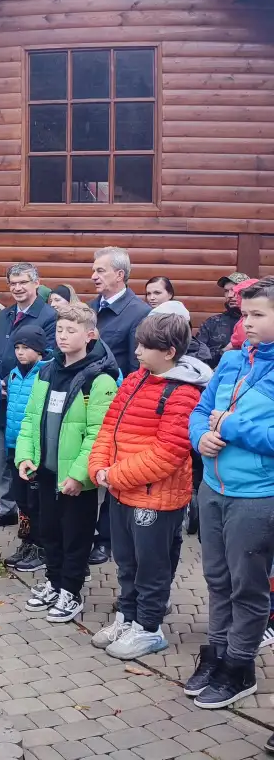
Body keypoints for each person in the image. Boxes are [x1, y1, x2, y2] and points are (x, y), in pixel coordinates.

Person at [88, 313, 211, 659]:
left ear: (169, 352)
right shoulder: (134, 380)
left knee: (151, 567)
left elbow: (168, 453)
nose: (137, 352)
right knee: (126, 563)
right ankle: (127, 618)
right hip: (121, 491)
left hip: (155, 500)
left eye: (145, 347)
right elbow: (109, 428)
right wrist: (98, 466)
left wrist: (114, 475)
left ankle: (149, 628)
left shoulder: (183, 393)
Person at [186, 277, 274, 710]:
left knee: (247, 587)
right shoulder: (233, 359)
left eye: (258, 314)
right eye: (244, 314)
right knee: (217, 579)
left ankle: (240, 667)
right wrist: (201, 436)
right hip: (213, 487)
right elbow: (201, 410)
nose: (247, 323)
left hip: (257, 496)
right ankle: (218, 654)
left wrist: (230, 425)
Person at [16, 302, 119, 623]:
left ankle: (71, 592)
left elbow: (99, 435)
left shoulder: (99, 380)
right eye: (59, 329)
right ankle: (54, 582)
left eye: (71, 331)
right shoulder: (46, 371)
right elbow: (31, 418)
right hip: (46, 472)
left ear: (90, 335)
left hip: (75, 480)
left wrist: (78, 475)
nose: (62, 336)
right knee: (49, 532)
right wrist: (25, 455)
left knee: (75, 537)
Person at [88, 247, 151, 566]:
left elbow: (138, 367)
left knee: (112, 474)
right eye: (93, 270)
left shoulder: (138, 313)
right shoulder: (90, 308)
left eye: (100, 270)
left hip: (116, 408)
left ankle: (106, 539)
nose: (93, 276)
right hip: (84, 404)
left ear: (120, 275)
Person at [0, 262, 57, 529]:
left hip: (28, 400)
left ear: (36, 283)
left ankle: (31, 519)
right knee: (1, 458)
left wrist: (10, 381)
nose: (17, 288)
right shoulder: (5, 315)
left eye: (23, 282)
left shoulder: (48, 316)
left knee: (25, 458)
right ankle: (7, 508)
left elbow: (49, 357)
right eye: (12, 283)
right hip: (2, 399)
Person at [2, 327, 47, 572]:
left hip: (34, 448)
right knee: (21, 500)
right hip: (14, 445)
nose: (20, 352)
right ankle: (27, 542)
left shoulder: (47, 372)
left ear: (38, 350)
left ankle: (41, 547)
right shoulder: (13, 374)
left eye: (26, 348)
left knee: (35, 500)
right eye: (17, 347)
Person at [196, 272, 250, 369]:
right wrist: (225, 350)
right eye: (226, 291)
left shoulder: (257, 323)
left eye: (235, 290)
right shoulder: (212, 323)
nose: (230, 295)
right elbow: (197, 359)